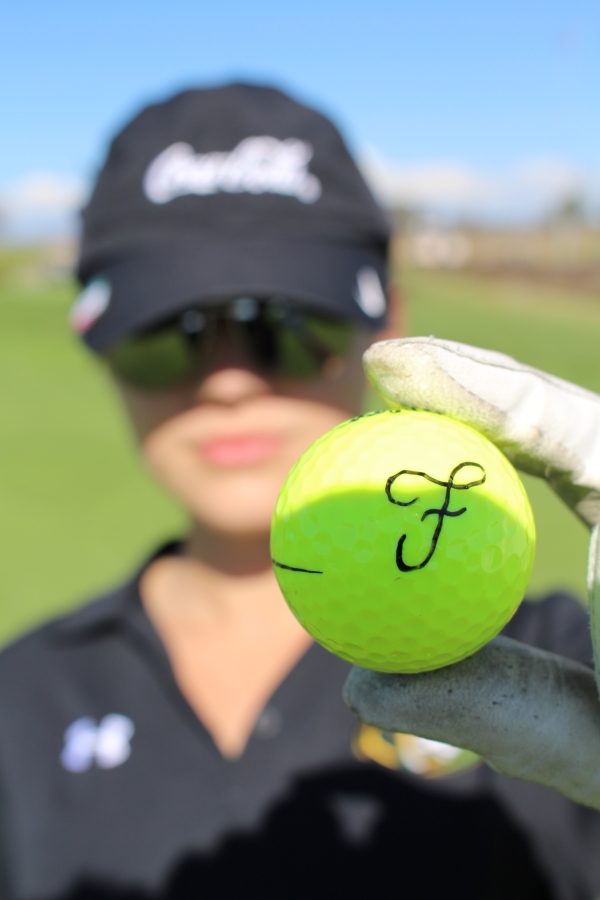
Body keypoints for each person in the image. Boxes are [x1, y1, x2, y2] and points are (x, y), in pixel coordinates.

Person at [0, 81, 599, 900]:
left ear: (387, 325)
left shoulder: (572, 659)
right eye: (165, 338)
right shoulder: (17, 701)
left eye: (287, 325)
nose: (229, 382)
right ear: (98, 343)